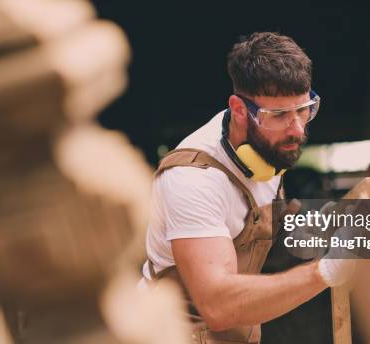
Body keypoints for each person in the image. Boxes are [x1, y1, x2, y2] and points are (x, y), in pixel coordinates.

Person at [141, 32, 354, 344]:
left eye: (304, 109)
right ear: (239, 110)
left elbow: (253, 224)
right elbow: (218, 306)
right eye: (279, 115)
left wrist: (321, 222)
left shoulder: (268, 148)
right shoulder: (193, 178)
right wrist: (325, 271)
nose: (296, 129)